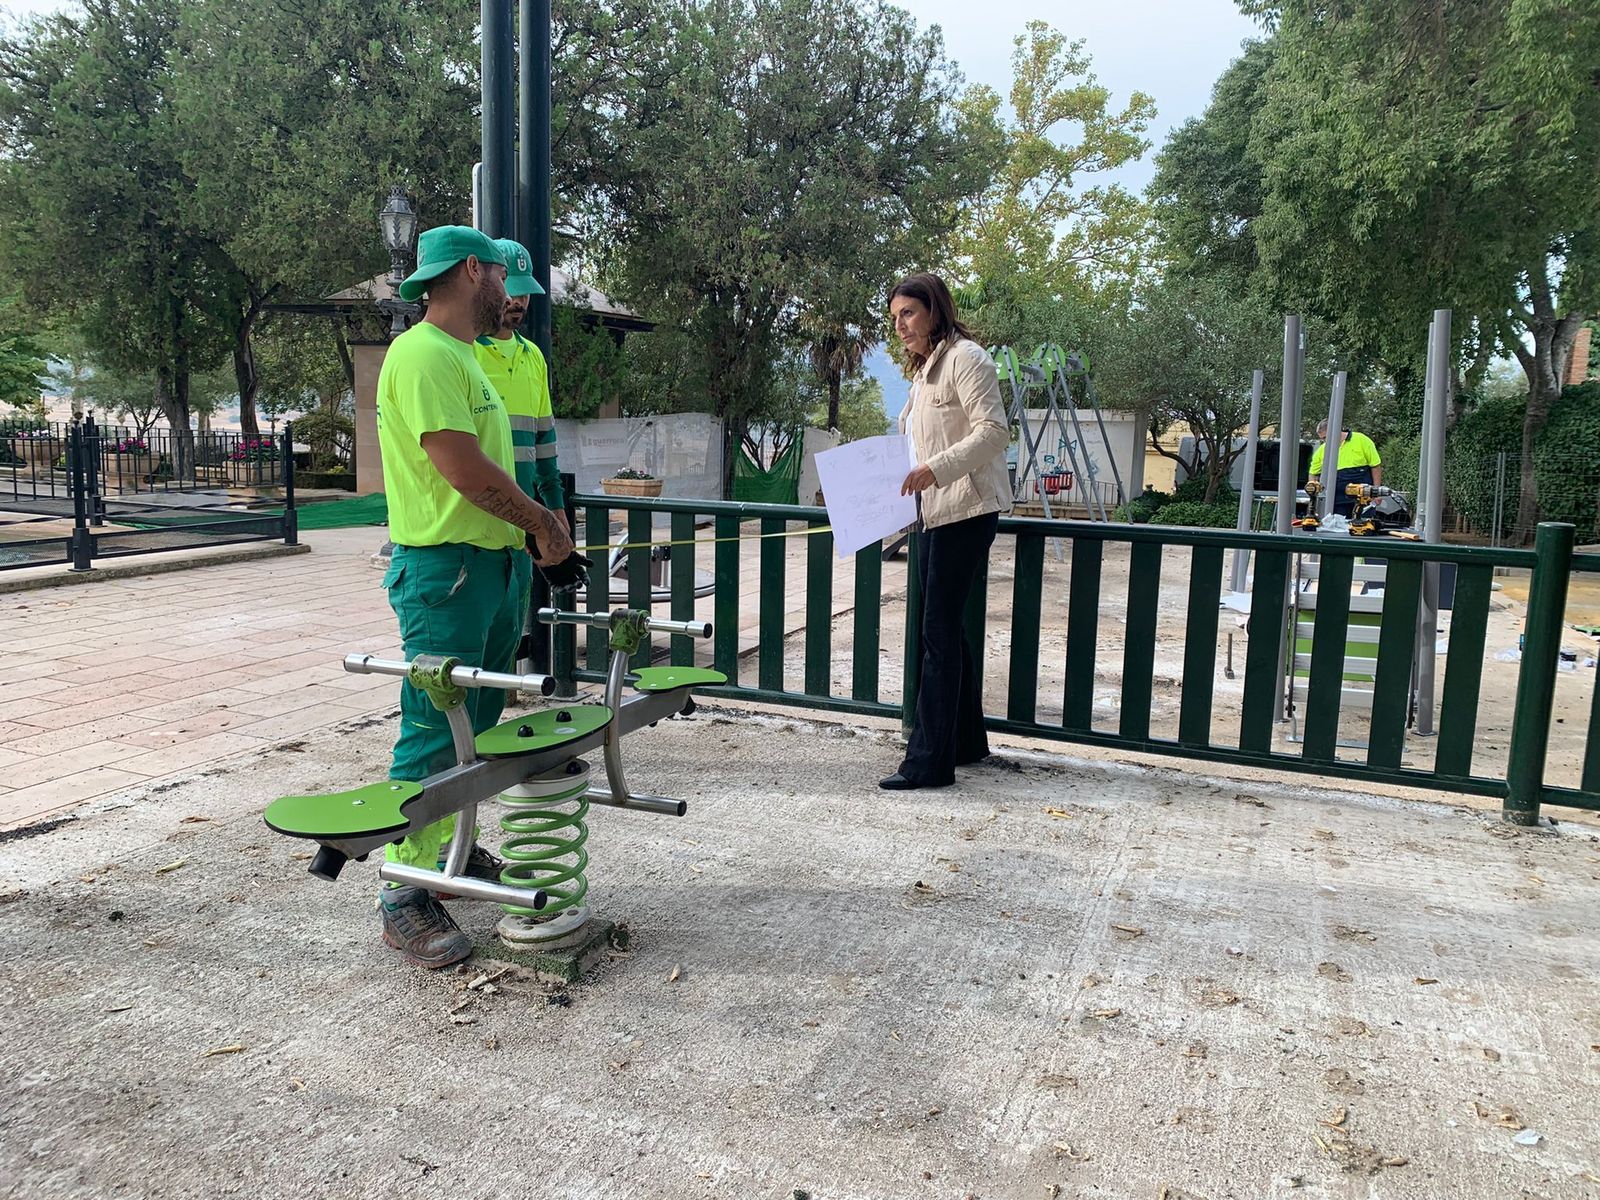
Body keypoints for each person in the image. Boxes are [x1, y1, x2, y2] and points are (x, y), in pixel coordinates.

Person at [374, 224, 587, 969]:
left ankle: (449, 854)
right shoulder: (425, 353)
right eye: (502, 275)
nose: (512, 293)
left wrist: (540, 536)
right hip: (447, 571)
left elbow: (508, 463)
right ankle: (402, 894)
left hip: (492, 569)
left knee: (477, 727)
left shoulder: (465, 357)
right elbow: (463, 470)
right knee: (436, 728)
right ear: (473, 271)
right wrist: (542, 524)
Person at [880, 272, 1011, 791]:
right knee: (946, 633)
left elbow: (994, 432)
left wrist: (936, 469)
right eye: (894, 318)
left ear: (934, 309)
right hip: (932, 514)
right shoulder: (924, 372)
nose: (900, 326)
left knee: (936, 634)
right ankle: (965, 742)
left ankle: (929, 764)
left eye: (907, 313)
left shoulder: (968, 359)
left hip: (968, 510)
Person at [474, 239, 567, 529]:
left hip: (522, 520)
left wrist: (556, 509)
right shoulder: (467, 351)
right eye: (512, 289)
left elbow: (545, 443)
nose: (519, 301)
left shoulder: (534, 357)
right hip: (476, 519)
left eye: (525, 292)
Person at [1309, 419, 1383, 515]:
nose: (1324, 441)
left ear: (1335, 431)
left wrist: (1376, 492)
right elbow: (1313, 473)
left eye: (1325, 437)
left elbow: (1375, 467)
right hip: (1338, 502)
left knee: (1363, 526)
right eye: (1322, 439)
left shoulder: (1361, 440)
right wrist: (1313, 491)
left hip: (1363, 499)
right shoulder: (1323, 450)